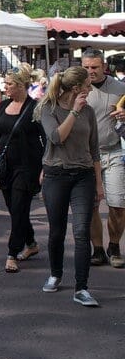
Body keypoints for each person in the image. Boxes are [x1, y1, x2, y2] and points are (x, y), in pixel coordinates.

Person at [35, 66, 102, 306]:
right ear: (76, 89)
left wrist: (99, 183)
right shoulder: (48, 109)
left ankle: (82, 288)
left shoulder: (90, 112)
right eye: (86, 86)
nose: (90, 89)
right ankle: (55, 274)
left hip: (83, 176)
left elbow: (94, 149)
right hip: (56, 175)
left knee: (82, 232)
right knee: (57, 231)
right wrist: (73, 112)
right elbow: (56, 138)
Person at [0, 66, 45, 274]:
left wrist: (45, 167)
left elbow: (48, 139)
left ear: (23, 85)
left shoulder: (36, 108)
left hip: (27, 167)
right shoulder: (2, 106)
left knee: (18, 208)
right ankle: (31, 243)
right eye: (5, 83)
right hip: (5, 166)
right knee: (16, 209)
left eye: (9, 84)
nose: (4, 87)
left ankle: (12, 253)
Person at [79, 49, 125, 268]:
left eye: (94, 67)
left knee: (118, 204)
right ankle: (97, 249)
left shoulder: (120, 88)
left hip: (113, 151)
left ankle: (114, 246)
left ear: (104, 67)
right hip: (87, 155)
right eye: (86, 67)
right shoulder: (76, 88)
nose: (90, 72)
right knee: (92, 206)